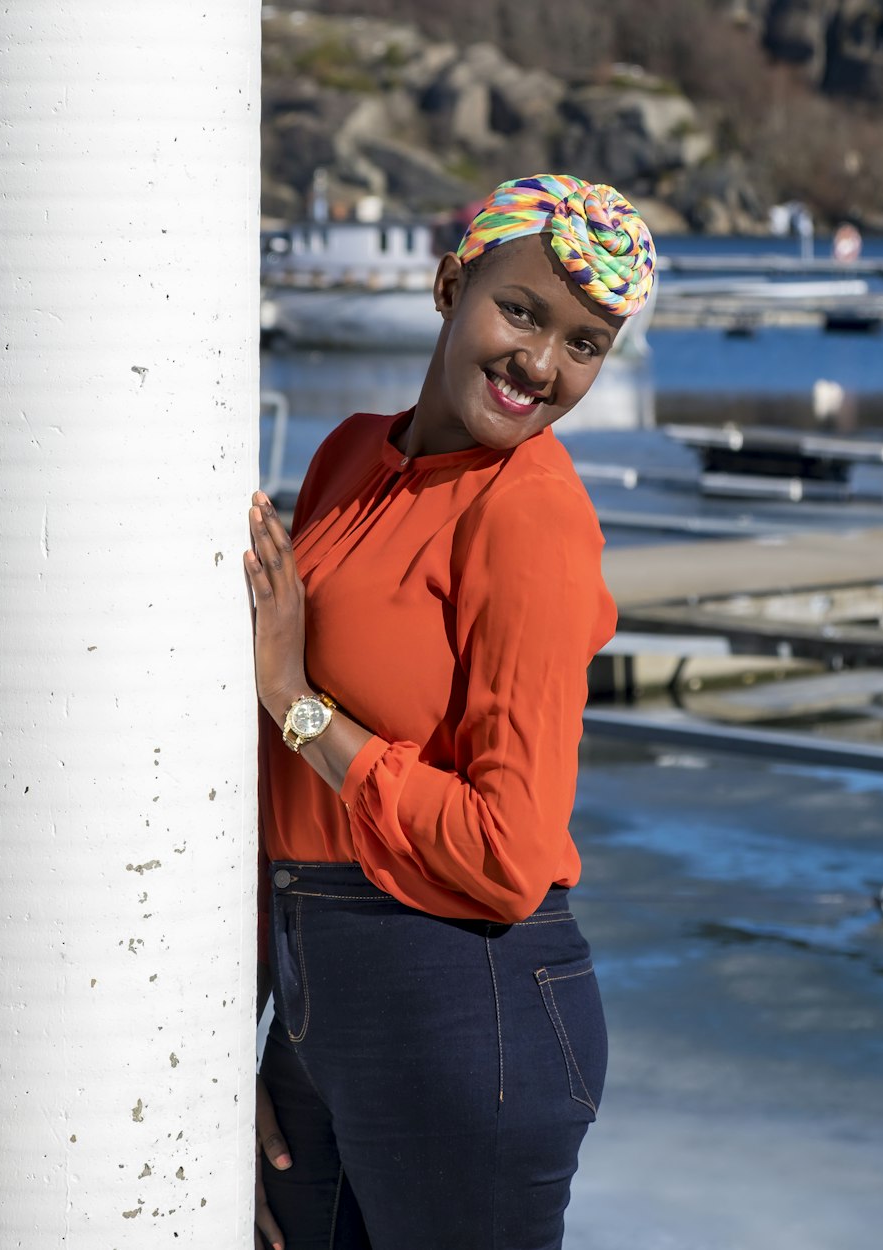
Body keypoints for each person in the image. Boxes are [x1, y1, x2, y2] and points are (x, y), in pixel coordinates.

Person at [244, 173, 656, 1250]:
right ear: (449, 282)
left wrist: (296, 702)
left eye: (585, 343)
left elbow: (507, 852)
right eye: (520, 310)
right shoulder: (342, 454)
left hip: (466, 1003)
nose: (541, 363)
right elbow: (270, 793)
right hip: (311, 1001)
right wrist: (227, 1046)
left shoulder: (531, 514)